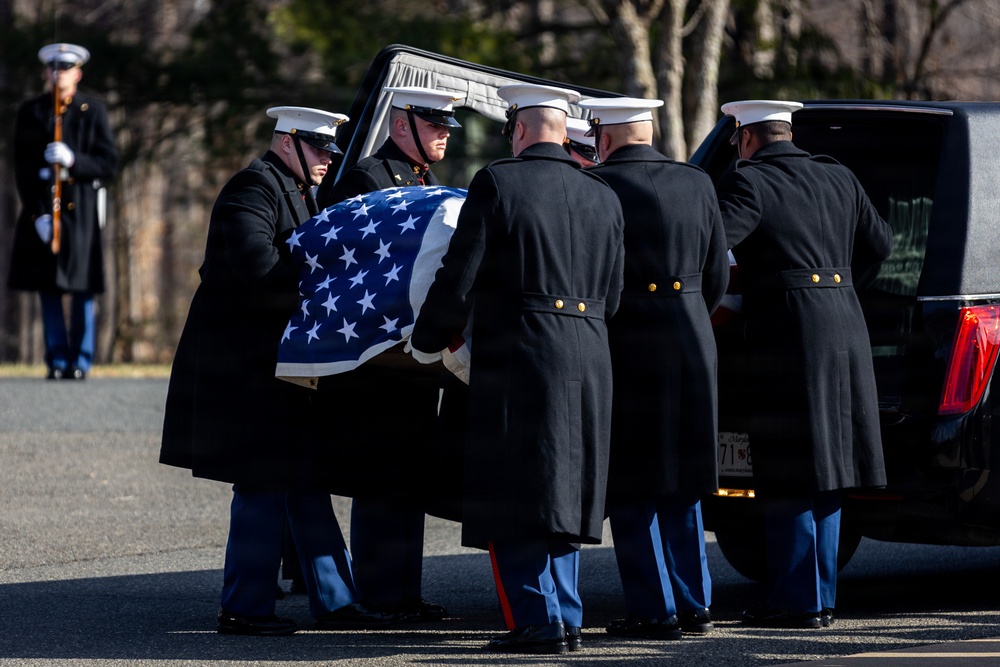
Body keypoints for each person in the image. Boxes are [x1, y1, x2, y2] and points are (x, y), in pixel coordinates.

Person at [159, 106, 394, 636]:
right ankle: (243, 608)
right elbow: (259, 269)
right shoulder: (252, 188)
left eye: (332, 151)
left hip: (279, 362)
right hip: (243, 365)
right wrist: (328, 283)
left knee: (304, 480)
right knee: (262, 484)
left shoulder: (299, 190)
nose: (327, 161)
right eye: (318, 149)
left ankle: (335, 601)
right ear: (287, 142)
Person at [410, 83, 625, 655]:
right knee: (565, 486)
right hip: (591, 350)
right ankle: (566, 616)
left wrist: (427, 339)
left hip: (522, 351)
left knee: (515, 486)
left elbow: (461, 275)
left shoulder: (500, 181)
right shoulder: (603, 193)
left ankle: (535, 619)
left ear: (520, 130)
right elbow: (616, 293)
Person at [715, 100, 892, 628]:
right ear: (787, 132)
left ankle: (797, 601)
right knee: (830, 466)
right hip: (847, 326)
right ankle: (821, 596)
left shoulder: (749, 183)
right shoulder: (838, 177)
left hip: (789, 332)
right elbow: (881, 244)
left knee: (788, 466)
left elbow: (711, 247)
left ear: (746, 139)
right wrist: (838, 285)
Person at [579, 97, 729, 639]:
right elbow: (717, 275)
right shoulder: (697, 181)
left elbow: (597, 275)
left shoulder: (597, 186)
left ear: (604, 136)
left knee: (632, 483)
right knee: (682, 478)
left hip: (627, 341)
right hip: (691, 336)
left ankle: (653, 607)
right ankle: (695, 602)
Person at [313, 86, 463, 623]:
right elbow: (351, 275)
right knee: (381, 481)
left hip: (412, 368)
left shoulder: (423, 182)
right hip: (377, 366)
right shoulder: (365, 179)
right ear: (403, 125)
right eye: (435, 123)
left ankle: (404, 594)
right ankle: (380, 593)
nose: (445, 132)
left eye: (447, 124)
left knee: (408, 479)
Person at [8, 43, 117, 380]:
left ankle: (81, 360)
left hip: (81, 213)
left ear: (78, 73)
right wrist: (38, 212)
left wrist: (74, 161)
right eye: (54, 68)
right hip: (44, 209)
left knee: (82, 287)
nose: (60, 73)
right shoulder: (33, 112)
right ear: (46, 72)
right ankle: (56, 357)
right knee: (49, 287)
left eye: (67, 68)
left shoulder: (93, 111)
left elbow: (108, 164)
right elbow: (22, 167)